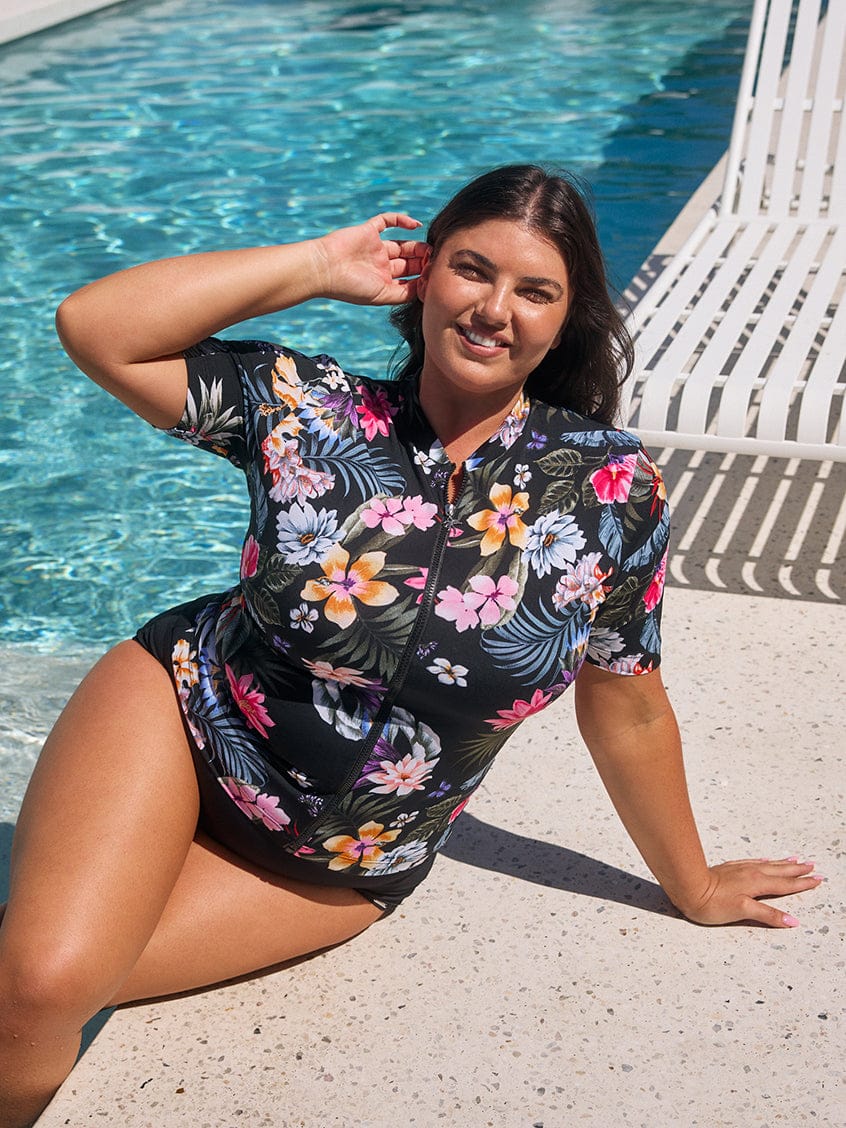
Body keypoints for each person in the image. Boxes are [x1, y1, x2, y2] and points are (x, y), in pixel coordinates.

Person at [0, 164, 821, 1127]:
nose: (495, 309)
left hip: (335, 861)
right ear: (426, 275)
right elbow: (96, 329)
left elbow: (627, 697)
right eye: (472, 270)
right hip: (181, 716)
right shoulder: (310, 410)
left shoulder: (611, 489)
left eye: (535, 291)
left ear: (567, 318)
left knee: (38, 984)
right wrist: (315, 263)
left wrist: (694, 884)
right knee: (43, 984)